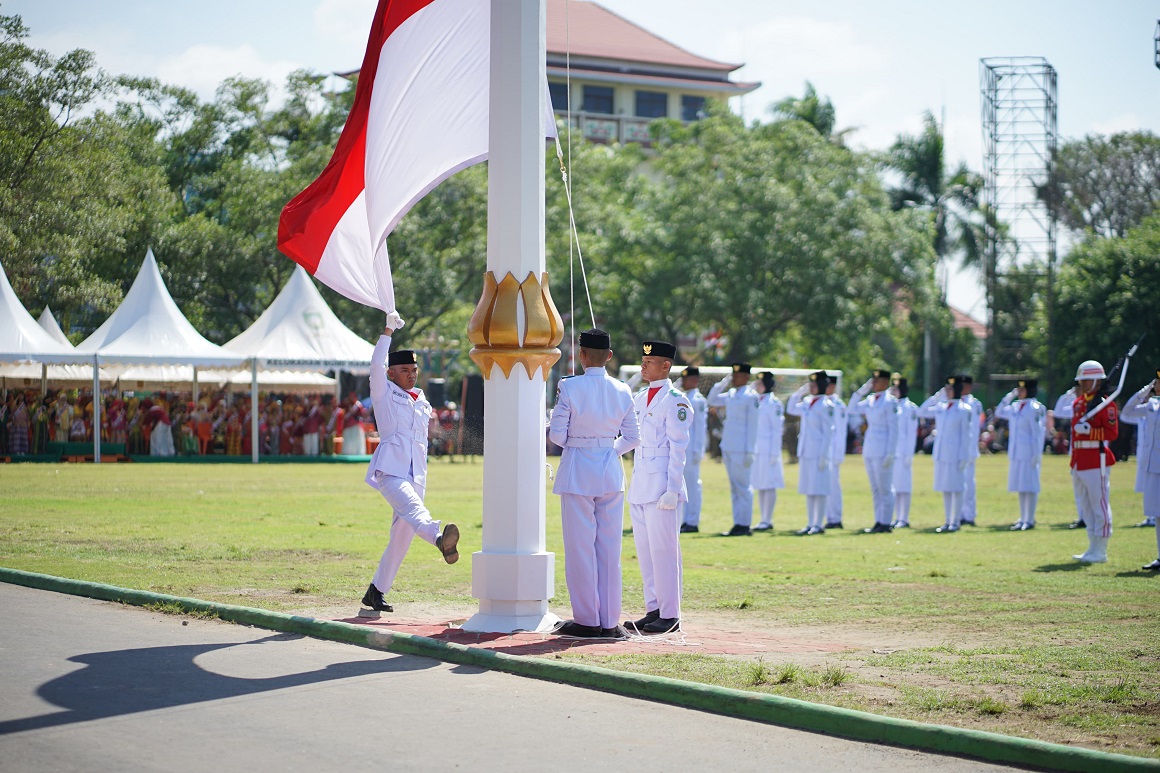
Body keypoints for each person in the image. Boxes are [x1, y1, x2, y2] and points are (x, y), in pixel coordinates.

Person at [361, 312, 460, 614]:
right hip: (391, 470)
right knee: (417, 514)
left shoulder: (422, 399)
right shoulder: (384, 392)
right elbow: (376, 365)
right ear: (391, 373)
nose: (411, 374)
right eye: (404, 370)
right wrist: (388, 330)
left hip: (417, 473)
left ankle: (375, 591)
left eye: (414, 370)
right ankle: (440, 538)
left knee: (401, 538)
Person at [548, 329, 640, 638]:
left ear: (581, 355)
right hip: (610, 470)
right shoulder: (623, 389)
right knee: (610, 549)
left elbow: (557, 435)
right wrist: (607, 449)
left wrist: (582, 442)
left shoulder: (570, 386)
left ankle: (587, 620)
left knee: (580, 548)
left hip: (577, 470)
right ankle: (609, 621)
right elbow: (633, 437)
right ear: (610, 356)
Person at [625, 340, 690, 635]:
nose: (643, 365)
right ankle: (654, 609)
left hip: (663, 485)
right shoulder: (640, 397)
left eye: (649, 362)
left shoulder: (675, 400)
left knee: (665, 552)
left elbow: (679, 448)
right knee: (647, 551)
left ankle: (671, 614)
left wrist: (673, 489)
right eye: (643, 361)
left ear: (666, 366)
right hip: (640, 483)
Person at [1070, 360, 1118, 564]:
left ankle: (1102, 549)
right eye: (1081, 380)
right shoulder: (1079, 403)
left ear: (1097, 382)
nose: (1081, 384)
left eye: (1086, 380)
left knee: (1099, 504)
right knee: (1086, 506)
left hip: (1096, 459)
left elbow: (1112, 433)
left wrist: (1090, 431)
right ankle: (1092, 546)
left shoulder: (1107, 404)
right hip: (1079, 460)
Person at [707, 363, 761, 536]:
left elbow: (752, 426)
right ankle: (738, 523)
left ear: (746, 377)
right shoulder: (731, 394)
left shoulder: (750, 397)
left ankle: (745, 524)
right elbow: (712, 399)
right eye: (733, 375)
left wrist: (749, 451)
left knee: (743, 487)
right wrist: (723, 382)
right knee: (734, 487)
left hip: (742, 449)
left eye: (738, 375)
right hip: (729, 446)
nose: (735, 378)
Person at [918, 376, 975, 533]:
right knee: (945, 488)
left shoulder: (964, 410)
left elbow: (966, 436)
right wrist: (936, 396)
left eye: (949, 389)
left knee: (956, 488)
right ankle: (947, 520)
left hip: (956, 454)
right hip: (942, 453)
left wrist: (964, 456)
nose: (947, 392)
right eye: (946, 389)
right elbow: (921, 411)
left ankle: (955, 521)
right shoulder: (941, 407)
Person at [848, 369, 898, 533]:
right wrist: (861, 391)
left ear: (885, 382)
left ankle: (886, 522)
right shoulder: (870, 400)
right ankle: (878, 521)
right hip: (870, 449)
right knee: (875, 489)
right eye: (873, 381)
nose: (874, 384)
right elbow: (851, 409)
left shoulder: (890, 402)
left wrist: (890, 452)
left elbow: (893, 429)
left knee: (885, 488)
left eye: (877, 381)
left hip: (883, 450)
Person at [787, 371, 837, 535]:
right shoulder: (807, 402)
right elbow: (791, 408)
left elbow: (828, 432)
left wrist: (824, 455)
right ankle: (810, 523)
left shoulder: (826, 405)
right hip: (806, 451)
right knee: (808, 488)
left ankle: (818, 524)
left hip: (819, 453)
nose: (812, 388)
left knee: (820, 489)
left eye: (815, 385)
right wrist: (800, 392)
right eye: (811, 385)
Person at [994, 379, 1047, 530]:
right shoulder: (1016, 406)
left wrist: (1037, 454)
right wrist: (1009, 397)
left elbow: (1037, 433)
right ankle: (1023, 517)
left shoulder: (1034, 407)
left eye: (1022, 389)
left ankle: (1029, 519)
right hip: (1016, 452)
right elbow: (999, 412)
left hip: (1029, 453)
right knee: (1021, 486)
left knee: (1030, 486)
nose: (1019, 392)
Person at [1123, 370, 1160, 569]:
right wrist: (1145, 390)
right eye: (1156, 383)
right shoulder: (1152, 405)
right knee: (1157, 513)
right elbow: (1127, 412)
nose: (1157, 386)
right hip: (1153, 466)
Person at [751, 371, 785, 532]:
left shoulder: (774, 403)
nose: (757, 386)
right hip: (758, 449)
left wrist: (774, 453)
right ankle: (762, 519)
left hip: (769, 449)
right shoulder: (756, 400)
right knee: (760, 485)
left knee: (769, 485)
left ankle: (767, 519)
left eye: (760, 383)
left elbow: (777, 429)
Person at [676, 366, 708, 533]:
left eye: (687, 379)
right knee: (684, 486)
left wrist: (698, 450)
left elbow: (701, 428)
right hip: (683, 448)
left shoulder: (698, 400)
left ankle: (692, 521)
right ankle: (685, 520)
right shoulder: (683, 397)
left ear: (695, 381)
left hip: (692, 448)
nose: (684, 382)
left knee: (693, 485)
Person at [890, 375, 919, 528]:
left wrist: (909, 453)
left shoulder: (910, 408)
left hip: (903, 452)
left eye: (896, 388)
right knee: (894, 486)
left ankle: (904, 518)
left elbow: (911, 433)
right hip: (892, 452)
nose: (893, 391)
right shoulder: (890, 406)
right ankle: (895, 517)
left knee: (904, 487)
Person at [958, 375, 984, 526]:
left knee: (969, 483)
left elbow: (975, 429)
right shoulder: (953, 402)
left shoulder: (975, 404)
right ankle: (960, 514)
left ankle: (970, 515)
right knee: (959, 483)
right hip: (957, 449)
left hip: (969, 449)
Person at [822, 377, 848, 530]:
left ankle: (835, 518)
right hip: (824, 450)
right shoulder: (823, 403)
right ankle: (828, 516)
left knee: (834, 485)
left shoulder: (838, 405)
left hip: (833, 450)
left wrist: (839, 453)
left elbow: (840, 431)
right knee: (824, 484)